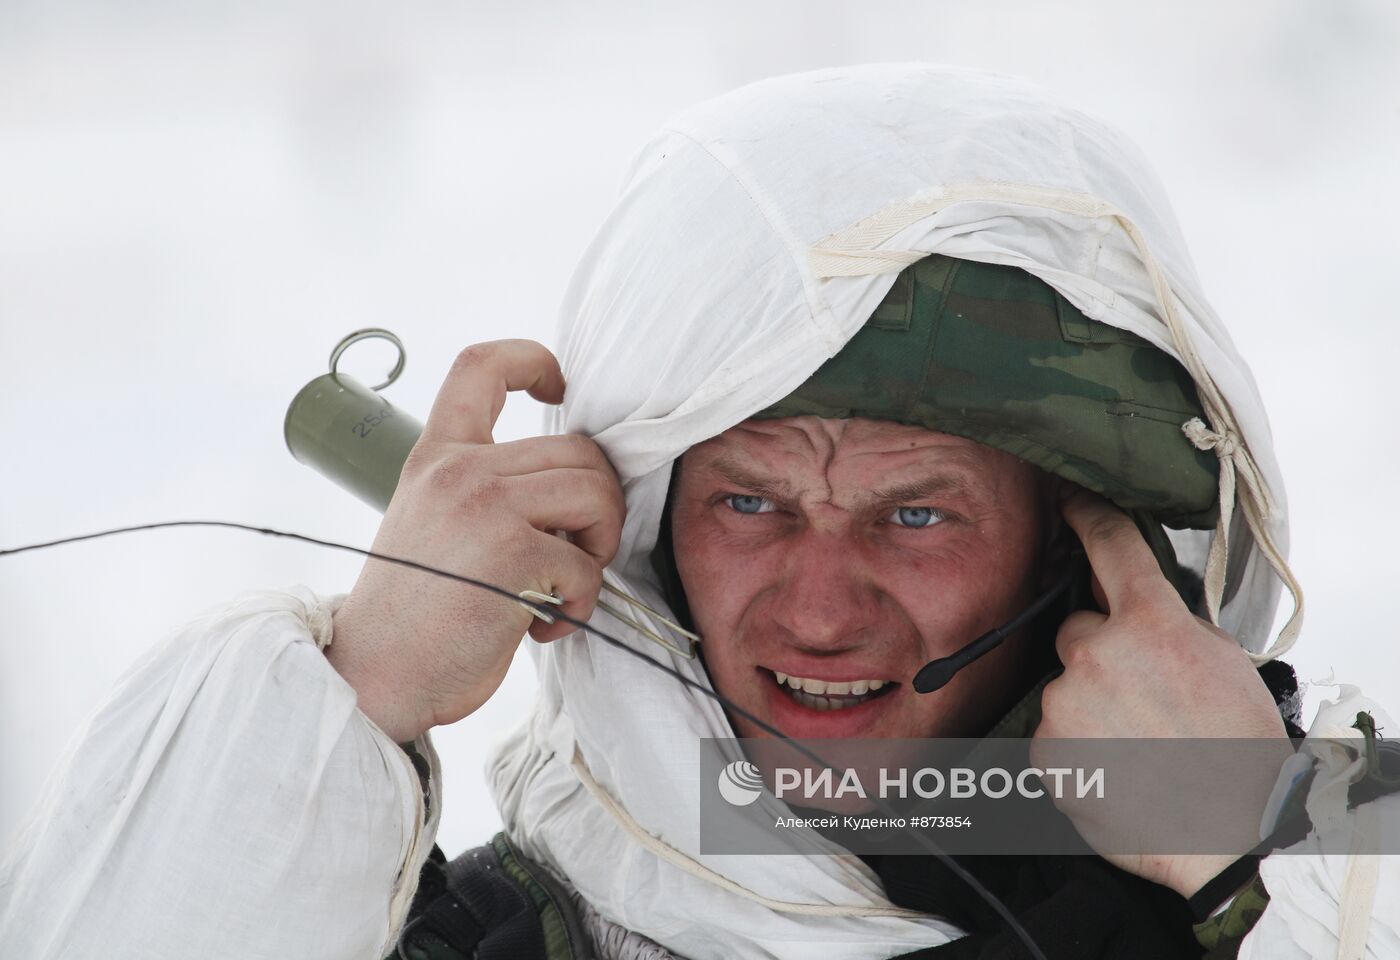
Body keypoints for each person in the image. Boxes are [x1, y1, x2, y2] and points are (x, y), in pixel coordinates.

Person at [1, 65, 1396, 960]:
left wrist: (1256, 825)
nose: (821, 604)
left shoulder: (1320, 857)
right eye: (749, 500)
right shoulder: (518, 933)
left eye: (917, 515)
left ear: (1077, 551)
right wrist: (344, 698)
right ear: (653, 526)